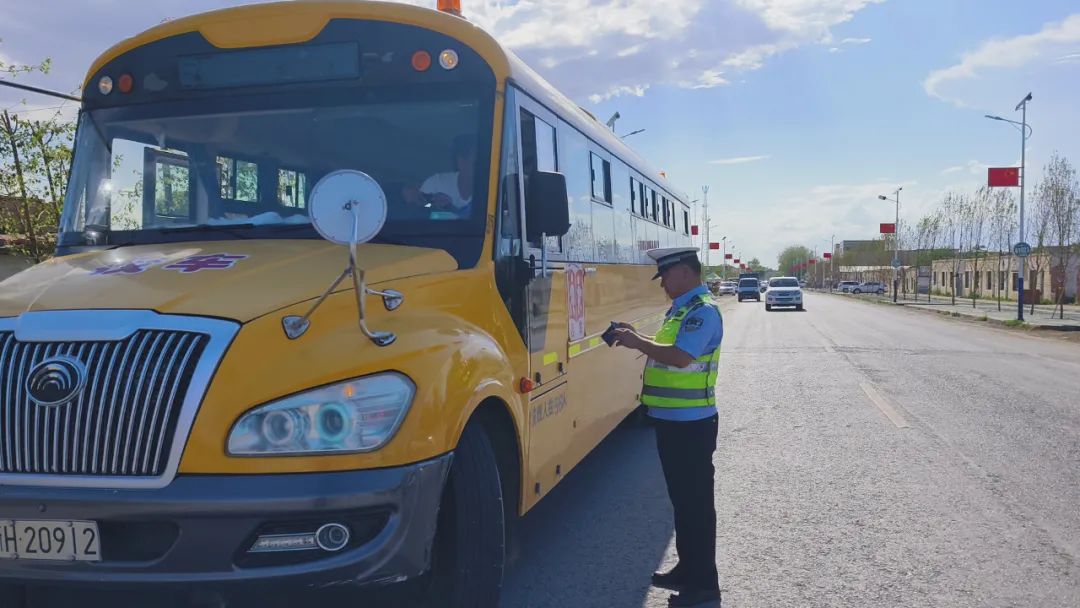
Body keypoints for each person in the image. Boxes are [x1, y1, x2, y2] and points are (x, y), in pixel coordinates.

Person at [611, 246, 723, 607]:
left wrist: (636, 342)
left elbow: (680, 357)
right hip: (672, 421)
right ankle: (687, 569)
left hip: (692, 424)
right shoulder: (681, 310)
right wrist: (635, 336)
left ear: (686, 272)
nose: (663, 285)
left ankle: (703, 586)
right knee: (683, 504)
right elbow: (665, 348)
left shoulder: (702, 311)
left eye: (667, 277)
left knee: (696, 507)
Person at [403, 134, 476, 217]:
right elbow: (420, 211)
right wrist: (432, 204)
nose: (482, 168)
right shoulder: (436, 184)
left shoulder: (487, 194)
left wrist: (451, 208)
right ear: (461, 162)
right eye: (476, 163)